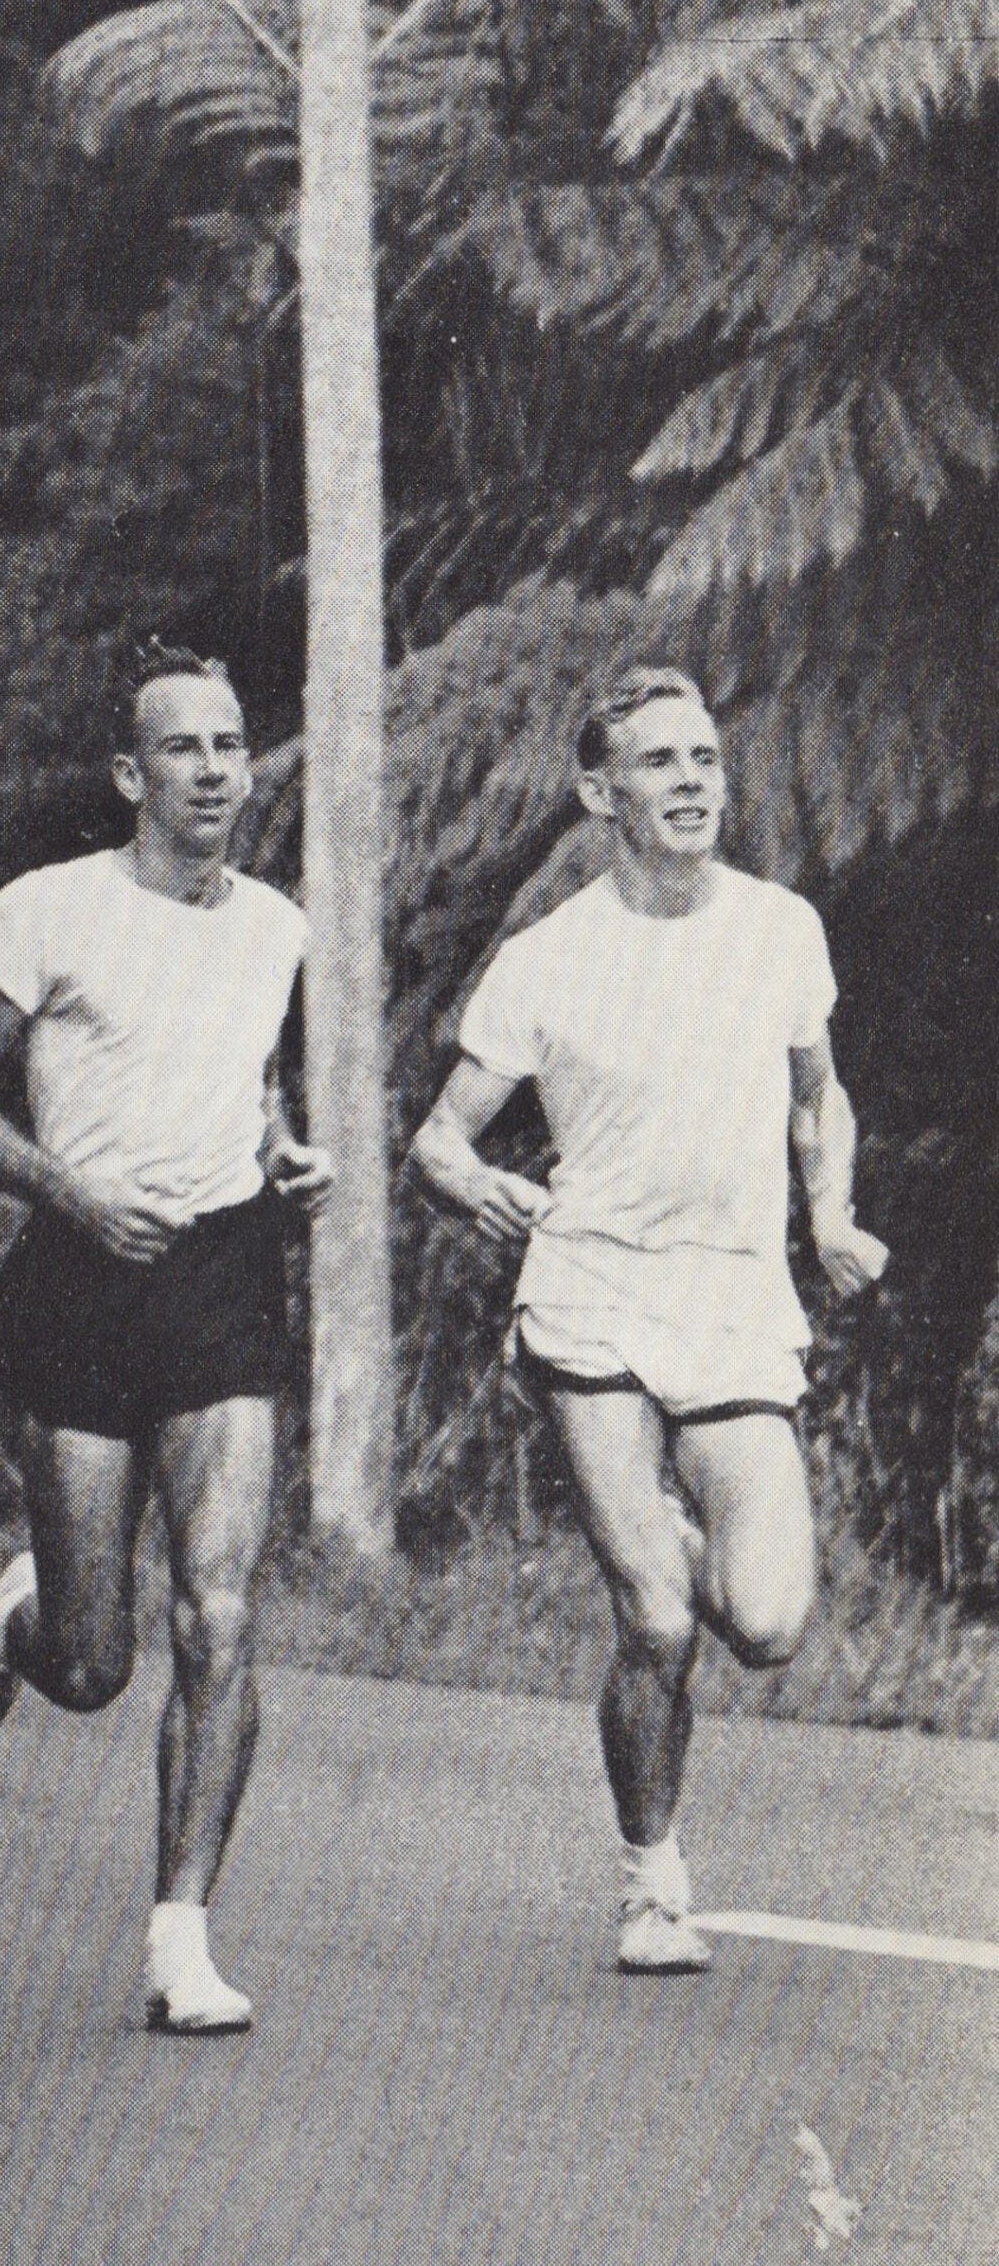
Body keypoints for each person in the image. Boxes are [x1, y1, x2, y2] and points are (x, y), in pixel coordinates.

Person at [409, 664, 887, 1974]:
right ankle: (650, 1879)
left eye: (704, 760)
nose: (691, 782)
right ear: (597, 791)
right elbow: (437, 1139)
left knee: (769, 1622)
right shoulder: (546, 960)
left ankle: (674, 1527)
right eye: (661, 762)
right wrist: (479, 1184)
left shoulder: (779, 929)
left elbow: (815, 1096)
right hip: (592, 1296)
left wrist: (828, 1212)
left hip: (732, 1295)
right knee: (658, 1623)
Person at [0, 641, 332, 2036]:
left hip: (218, 1277)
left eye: (230, 744)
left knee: (217, 1613)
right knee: (92, 1665)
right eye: (183, 749)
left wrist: (281, 1153)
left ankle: (180, 1935)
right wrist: (67, 1190)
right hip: (77, 1278)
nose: (215, 770)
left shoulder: (273, 925)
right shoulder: (47, 913)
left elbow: (244, 1080)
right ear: (127, 775)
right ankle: (13, 1618)